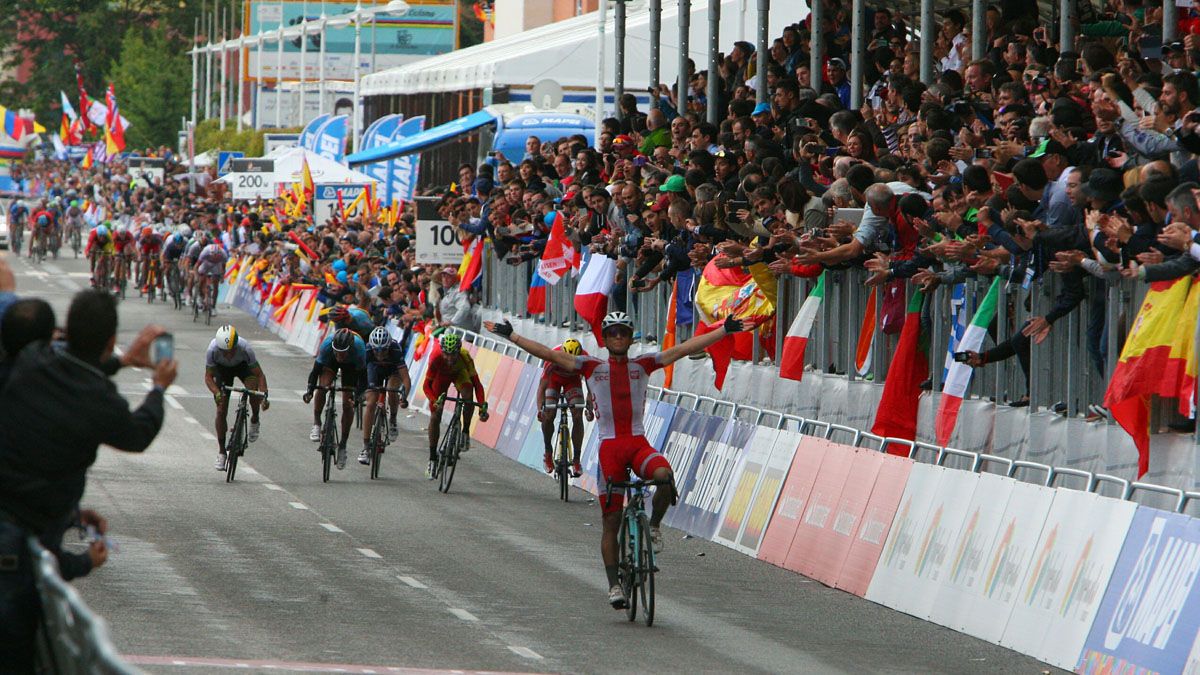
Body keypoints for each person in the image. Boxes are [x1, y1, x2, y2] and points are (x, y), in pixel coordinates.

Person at [486, 311, 744, 609]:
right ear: (605, 339)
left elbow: (683, 349)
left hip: (638, 444)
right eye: (613, 333)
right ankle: (614, 585)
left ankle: (656, 526)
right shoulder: (590, 366)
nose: (619, 337)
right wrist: (512, 336)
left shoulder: (644, 364)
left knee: (664, 476)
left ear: (630, 337)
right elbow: (547, 354)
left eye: (624, 332)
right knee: (611, 520)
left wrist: (723, 330)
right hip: (610, 449)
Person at [0, 290, 176, 669]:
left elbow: (73, 365)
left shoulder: (31, 362)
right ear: (110, 339)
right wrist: (158, 388)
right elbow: (138, 433)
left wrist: (72, 515)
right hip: (18, 544)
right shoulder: (101, 402)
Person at [421, 332, 488, 479]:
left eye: (453, 355)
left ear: (458, 351)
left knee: (468, 395)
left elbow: (477, 384)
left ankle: (465, 431)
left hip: (459, 374)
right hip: (441, 377)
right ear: (442, 351)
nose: (450, 358)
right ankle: (432, 459)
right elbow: (426, 386)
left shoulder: (465, 356)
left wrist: (482, 406)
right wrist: (434, 401)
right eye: (447, 355)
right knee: (435, 416)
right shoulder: (436, 357)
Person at [204, 325, 269, 472]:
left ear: (236, 345)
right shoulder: (212, 350)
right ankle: (222, 452)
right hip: (222, 371)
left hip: (243, 368)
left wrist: (264, 395)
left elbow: (259, 375)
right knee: (221, 410)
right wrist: (216, 392)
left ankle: (254, 419)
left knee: (252, 389)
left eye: (231, 350)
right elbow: (208, 377)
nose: (228, 354)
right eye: (224, 352)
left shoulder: (245, 348)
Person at [303, 328, 366, 470]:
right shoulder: (327, 345)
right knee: (323, 386)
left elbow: (363, 378)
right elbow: (315, 372)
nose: (340, 355)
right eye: (337, 351)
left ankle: (343, 445)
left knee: (347, 403)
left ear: (349, 349)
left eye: (343, 352)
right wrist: (309, 391)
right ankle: (317, 422)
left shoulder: (359, 349)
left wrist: (357, 398)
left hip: (351, 366)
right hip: (329, 363)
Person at [536, 338, 593, 477]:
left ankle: (577, 460)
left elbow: (591, 385)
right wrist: (540, 410)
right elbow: (541, 387)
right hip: (553, 380)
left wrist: (590, 406)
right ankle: (548, 452)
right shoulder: (552, 356)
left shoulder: (585, 358)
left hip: (572, 381)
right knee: (549, 414)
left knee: (577, 415)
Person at [359, 326, 411, 465]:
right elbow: (360, 375)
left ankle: (392, 419)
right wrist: (359, 392)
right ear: (372, 348)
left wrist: (404, 397)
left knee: (391, 389)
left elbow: (406, 378)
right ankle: (365, 447)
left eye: (383, 350)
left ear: (388, 346)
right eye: (377, 350)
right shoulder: (368, 351)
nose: (380, 354)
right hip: (374, 370)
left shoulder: (395, 350)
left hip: (393, 371)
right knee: (370, 404)